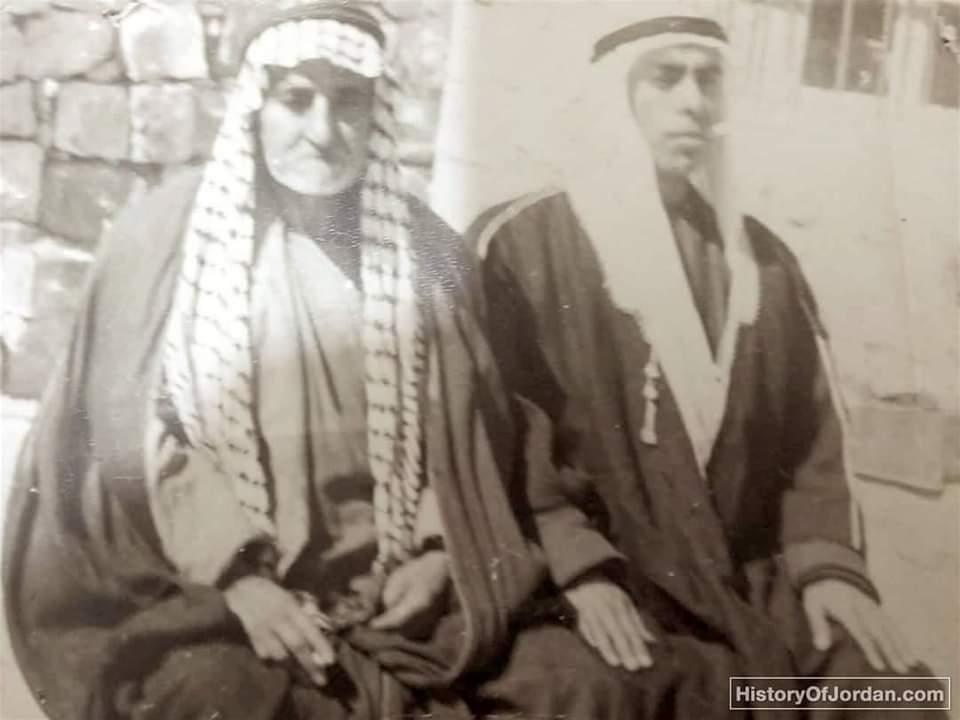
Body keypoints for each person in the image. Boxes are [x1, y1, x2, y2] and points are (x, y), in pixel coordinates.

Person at [2, 4, 641, 719]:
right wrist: (239, 581)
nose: (323, 130)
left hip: (408, 583)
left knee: (586, 690)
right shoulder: (165, 242)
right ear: (255, 108)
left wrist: (438, 553)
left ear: (375, 114)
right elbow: (139, 442)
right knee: (217, 697)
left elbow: (473, 426)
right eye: (296, 100)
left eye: (348, 102)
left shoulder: (427, 252)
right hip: (214, 581)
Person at [476, 4, 947, 717]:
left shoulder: (763, 263)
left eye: (708, 80)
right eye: (666, 78)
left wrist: (827, 566)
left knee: (892, 693)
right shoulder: (519, 247)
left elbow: (814, 440)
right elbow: (494, 438)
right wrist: (576, 564)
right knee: (604, 695)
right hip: (597, 580)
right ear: (614, 95)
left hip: (743, 581)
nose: (694, 102)